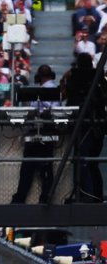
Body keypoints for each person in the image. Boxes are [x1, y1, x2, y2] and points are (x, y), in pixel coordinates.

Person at [61, 52, 106, 202]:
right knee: (91, 162)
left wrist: (65, 78)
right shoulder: (98, 77)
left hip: (88, 125)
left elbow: (65, 94)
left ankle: (87, 196)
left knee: (84, 160)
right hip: (96, 125)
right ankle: (95, 195)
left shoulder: (77, 78)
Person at [11, 64, 59, 204]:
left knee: (36, 167)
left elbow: (54, 110)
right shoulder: (35, 91)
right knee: (33, 167)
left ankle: (41, 197)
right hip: (36, 130)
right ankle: (39, 198)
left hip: (46, 129)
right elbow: (31, 110)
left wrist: (42, 101)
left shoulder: (53, 90)